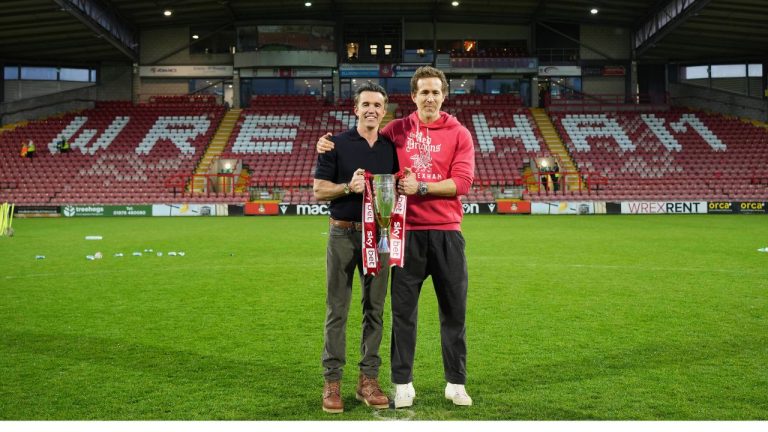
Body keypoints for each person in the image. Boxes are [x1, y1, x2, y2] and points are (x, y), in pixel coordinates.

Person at [317, 66, 475, 408]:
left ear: (444, 95)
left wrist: (421, 186)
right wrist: (325, 143)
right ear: (413, 96)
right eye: (424, 92)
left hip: (448, 233)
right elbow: (361, 140)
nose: (430, 98)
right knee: (401, 313)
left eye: (436, 92)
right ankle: (402, 382)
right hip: (406, 235)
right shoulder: (396, 131)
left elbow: (462, 183)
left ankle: (456, 382)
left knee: (453, 312)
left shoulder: (459, 133)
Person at [313, 81, 399, 414]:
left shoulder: (391, 147)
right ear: (356, 108)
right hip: (342, 235)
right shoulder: (333, 143)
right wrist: (348, 187)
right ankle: (331, 382)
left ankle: (368, 381)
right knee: (337, 309)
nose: (372, 110)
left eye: (378, 105)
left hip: (379, 236)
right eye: (366, 104)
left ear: (384, 110)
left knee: (375, 309)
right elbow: (319, 191)